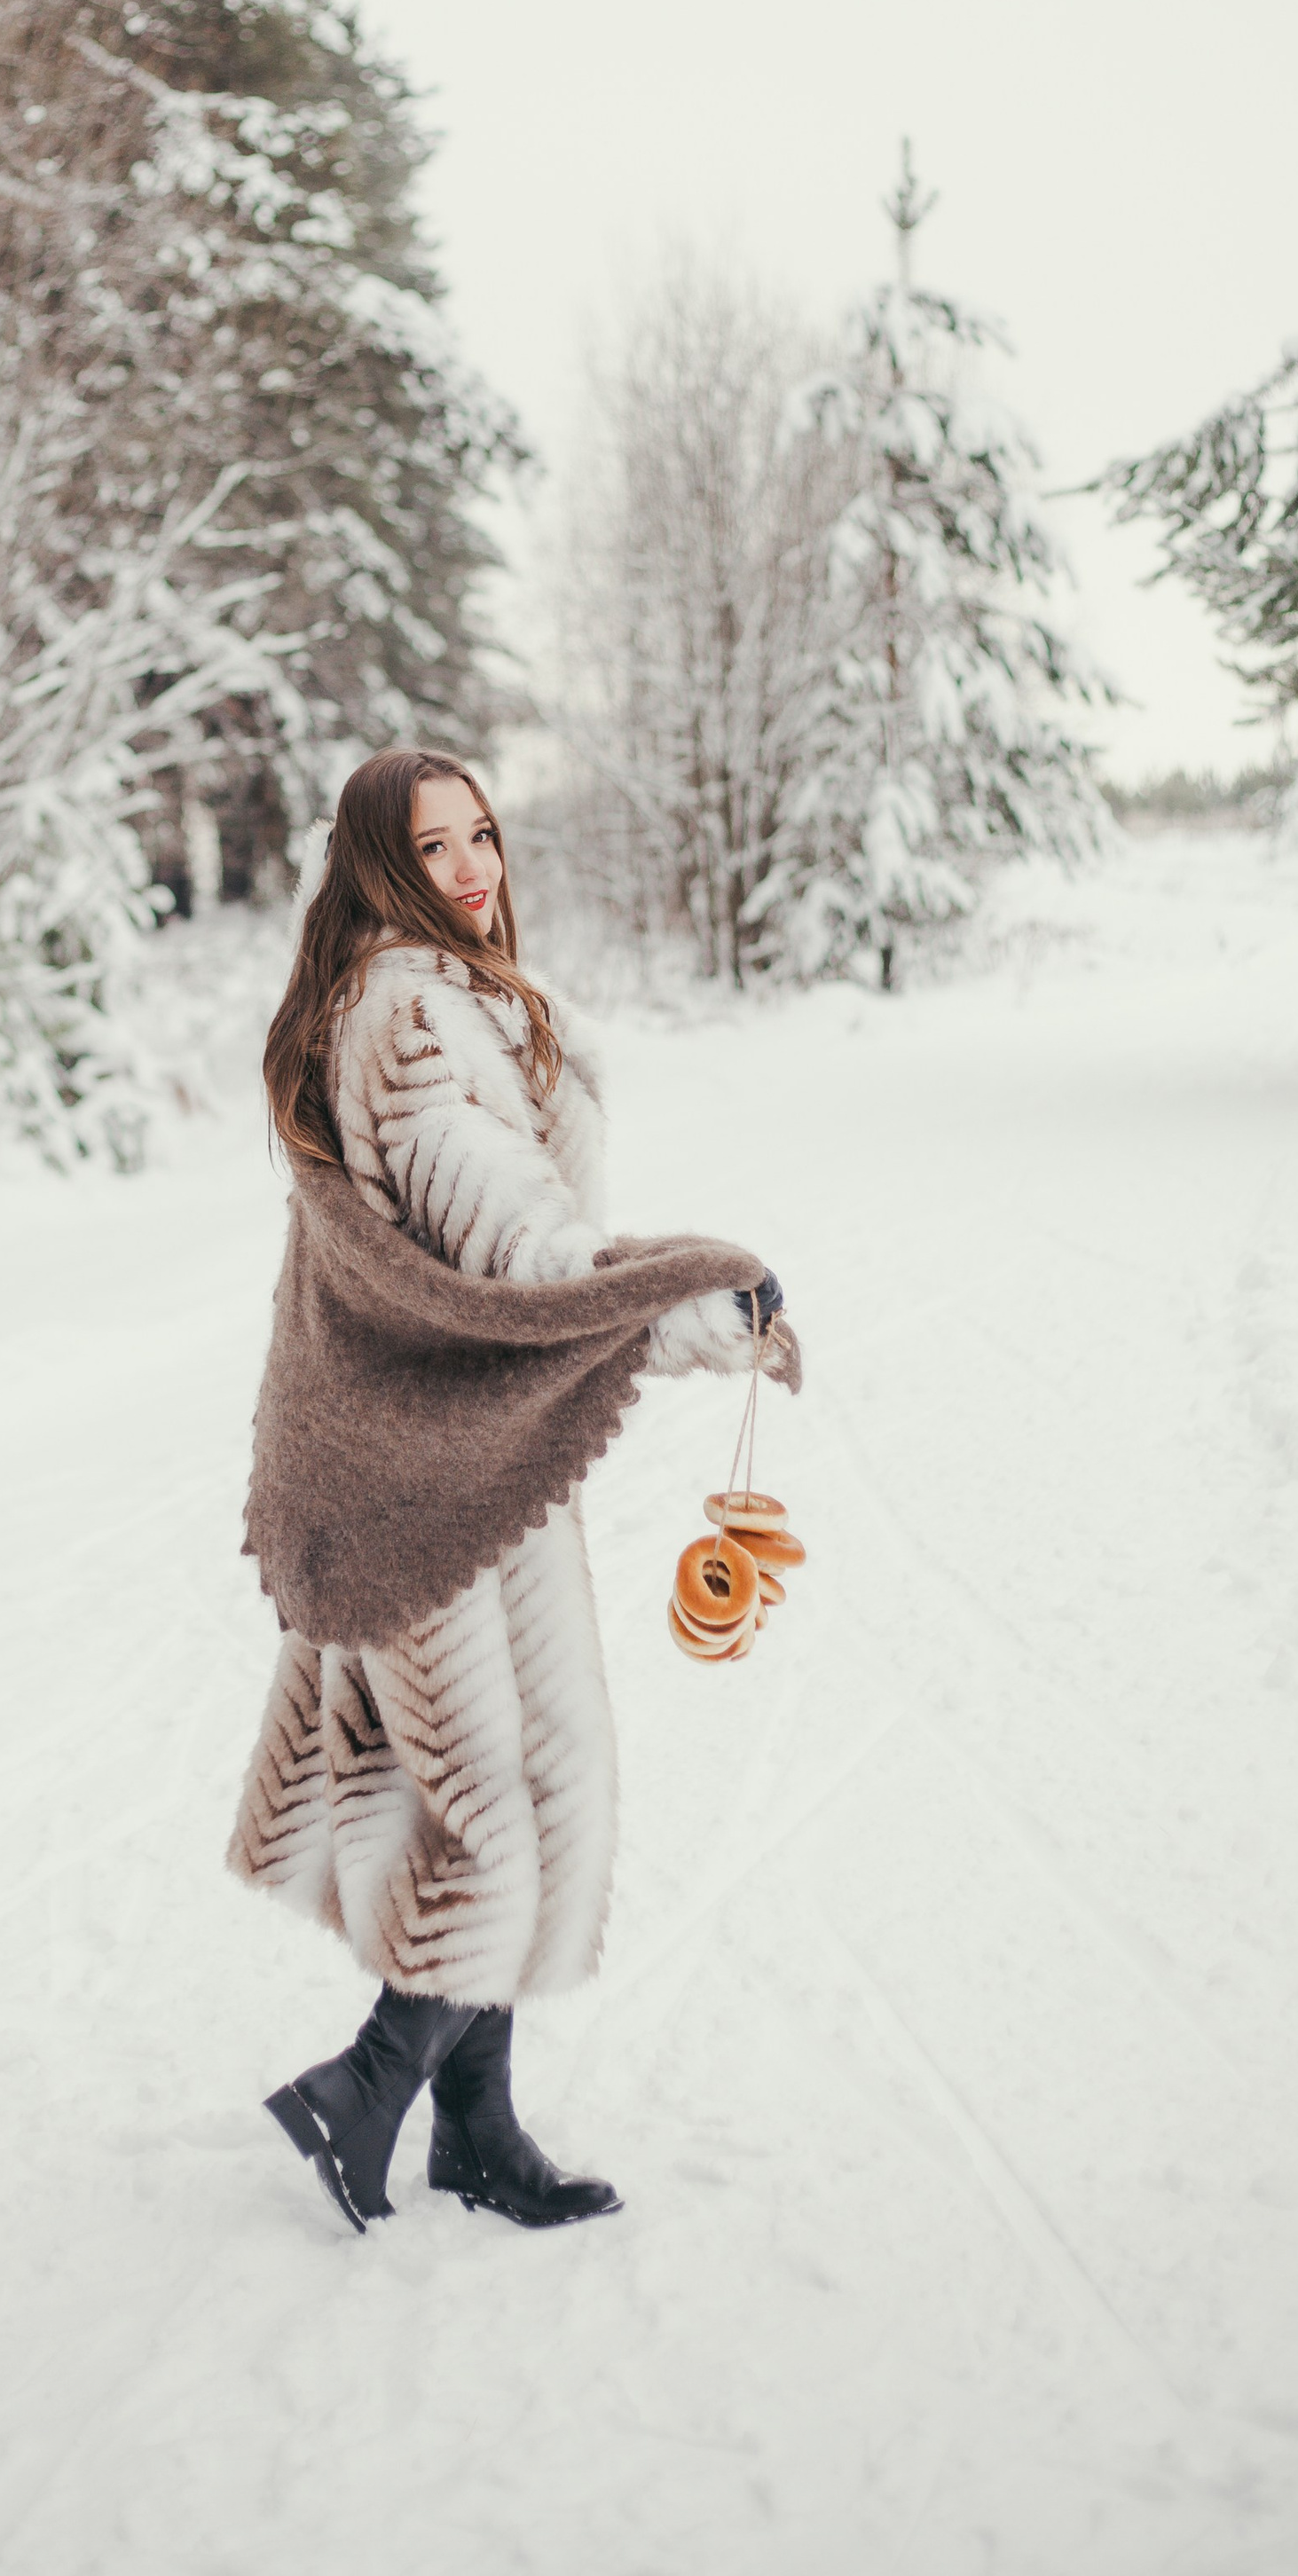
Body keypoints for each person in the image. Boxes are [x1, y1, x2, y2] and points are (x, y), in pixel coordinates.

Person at [228, 745, 794, 2236]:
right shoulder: (414, 1023)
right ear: (381, 866)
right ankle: (361, 2091)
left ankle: (474, 2128)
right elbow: (523, 1258)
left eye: (481, 833)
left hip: (461, 1462)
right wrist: (695, 1298)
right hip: (429, 1489)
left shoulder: (444, 998)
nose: (475, 866)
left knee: (504, 1787)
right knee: (501, 1807)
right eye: (437, 846)